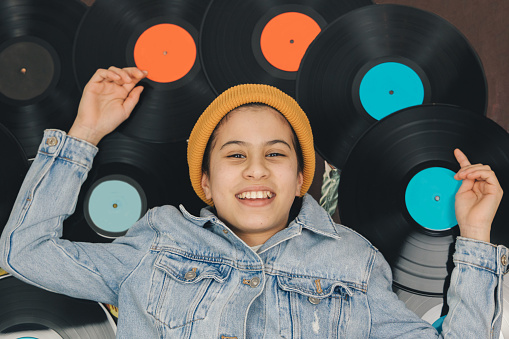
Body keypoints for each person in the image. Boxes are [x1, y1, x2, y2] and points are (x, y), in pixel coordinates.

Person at [0, 66, 506, 338]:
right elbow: (24, 250)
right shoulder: (156, 243)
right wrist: (86, 132)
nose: (256, 169)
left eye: (276, 153)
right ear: (205, 182)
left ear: (302, 176)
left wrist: (476, 236)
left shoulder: (352, 262)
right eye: (234, 154)